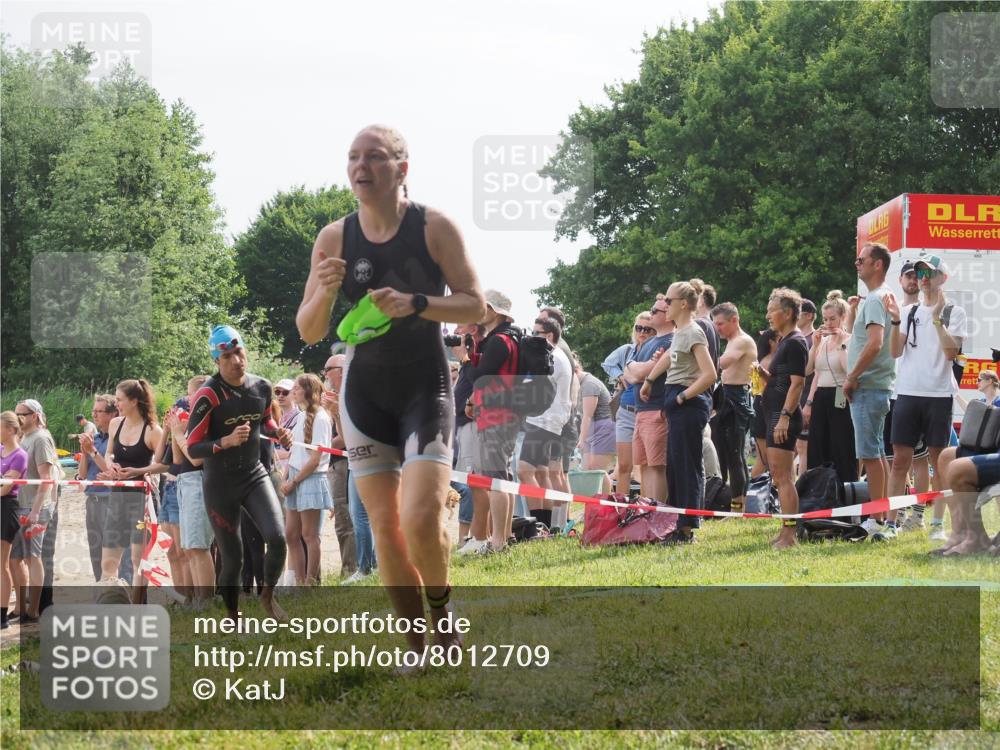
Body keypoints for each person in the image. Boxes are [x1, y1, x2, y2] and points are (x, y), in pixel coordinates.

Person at [297, 124, 485, 657]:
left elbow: (475, 305)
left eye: (374, 157)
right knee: (385, 524)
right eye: (353, 157)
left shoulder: (434, 227)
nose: (361, 166)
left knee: (420, 516)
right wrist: (327, 291)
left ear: (402, 169)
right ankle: (415, 642)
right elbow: (309, 330)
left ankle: (442, 608)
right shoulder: (334, 238)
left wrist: (417, 303)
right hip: (365, 395)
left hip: (426, 389)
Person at [186, 325, 293, 621]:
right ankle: (233, 616)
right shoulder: (209, 394)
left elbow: (266, 422)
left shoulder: (261, 386)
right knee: (233, 558)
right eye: (228, 356)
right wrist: (225, 442)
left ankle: (268, 598)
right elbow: (193, 448)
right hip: (220, 483)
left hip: (253, 474)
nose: (236, 360)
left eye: (239, 352)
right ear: (217, 361)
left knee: (278, 537)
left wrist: (279, 434)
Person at [884, 255, 967, 541]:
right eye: (920, 274)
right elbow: (895, 352)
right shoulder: (909, 311)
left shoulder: (954, 312)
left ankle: (936, 525)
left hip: (938, 394)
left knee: (938, 461)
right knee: (899, 461)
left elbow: (950, 353)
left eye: (929, 274)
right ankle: (891, 523)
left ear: (943, 278)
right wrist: (896, 320)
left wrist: (936, 321)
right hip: (907, 392)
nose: (923, 279)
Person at [641, 281, 718, 543]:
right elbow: (669, 357)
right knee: (675, 466)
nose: (664, 305)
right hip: (676, 400)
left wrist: (683, 397)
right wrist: (650, 380)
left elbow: (710, 374)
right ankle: (678, 524)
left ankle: (687, 528)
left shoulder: (694, 332)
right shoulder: (680, 332)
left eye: (669, 301)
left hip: (688, 403)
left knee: (687, 467)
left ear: (683, 304)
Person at [460, 290, 520, 554]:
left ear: (494, 311)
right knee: (502, 477)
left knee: (495, 478)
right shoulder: (507, 338)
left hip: (497, 413)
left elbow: (481, 376)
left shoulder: (499, 341)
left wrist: (465, 359)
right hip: (504, 411)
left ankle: (497, 542)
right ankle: (503, 537)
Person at [845, 242, 896, 537]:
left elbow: (875, 343)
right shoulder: (878, 297)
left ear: (877, 264)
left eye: (861, 259)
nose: (857, 263)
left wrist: (852, 376)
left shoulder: (877, 298)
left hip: (868, 386)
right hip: (874, 386)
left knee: (870, 455)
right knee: (875, 455)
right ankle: (884, 517)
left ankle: (877, 520)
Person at [757, 289, 808, 549]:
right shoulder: (785, 341)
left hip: (783, 418)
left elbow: (797, 385)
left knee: (784, 476)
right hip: (774, 415)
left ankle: (790, 536)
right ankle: (784, 532)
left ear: (787, 313)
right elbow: (782, 380)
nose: (767, 315)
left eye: (771, 310)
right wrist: (764, 374)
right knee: (778, 476)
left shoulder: (796, 342)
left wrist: (785, 417)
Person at [98, 380, 163, 585]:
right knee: (107, 563)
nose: (116, 404)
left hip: (141, 500)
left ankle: (138, 608)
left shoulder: (153, 430)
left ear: (134, 401)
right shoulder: (116, 423)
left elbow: (165, 465)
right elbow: (109, 452)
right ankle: (109, 606)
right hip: (118, 497)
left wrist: (139, 471)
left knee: (138, 561)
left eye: (119, 400)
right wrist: (111, 466)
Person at [516, 317, 571, 529]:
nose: (531, 336)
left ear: (549, 336)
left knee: (524, 471)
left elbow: (536, 386)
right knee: (540, 472)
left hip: (543, 420)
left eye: (535, 332)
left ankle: (537, 525)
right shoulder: (557, 355)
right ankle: (544, 526)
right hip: (549, 421)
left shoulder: (552, 356)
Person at [282, 374, 334, 585]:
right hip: (295, 475)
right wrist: (287, 476)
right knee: (291, 534)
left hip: (310, 478)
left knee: (309, 535)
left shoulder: (321, 417)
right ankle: (299, 580)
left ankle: (311, 582)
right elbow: (297, 451)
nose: (293, 391)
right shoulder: (302, 416)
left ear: (308, 391)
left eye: (296, 388)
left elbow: (315, 459)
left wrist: (294, 481)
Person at [9, 400, 59, 621]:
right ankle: (20, 607)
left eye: (23, 414)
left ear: (34, 415)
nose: (19, 417)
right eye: (17, 413)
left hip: (34, 507)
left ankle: (34, 609)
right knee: (14, 559)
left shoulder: (40, 438)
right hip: (19, 504)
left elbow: (45, 479)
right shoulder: (24, 438)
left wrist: (36, 511)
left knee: (32, 557)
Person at [802, 291, 857, 483]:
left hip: (840, 394)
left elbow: (849, 370)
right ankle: (818, 489)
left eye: (833, 319)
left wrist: (841, 343)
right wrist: (815, 345)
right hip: (821, 396)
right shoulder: (823, 342)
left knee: (841, 447)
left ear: (843, 317)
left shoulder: (849, 340)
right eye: (825, 319)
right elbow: (811, 370)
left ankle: (844, 490)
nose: (828, 324)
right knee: (817, 446)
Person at [78, 394, 133, 583]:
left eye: (99, 411)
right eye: (93, 411)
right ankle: (102, 589)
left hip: (110, 500)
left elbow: (112, 471)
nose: (94, 415)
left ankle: (121, 592)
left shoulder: (119, 439)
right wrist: (85, 452)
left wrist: (92, 451)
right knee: (96, 551)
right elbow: (83, 475)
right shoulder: (96, 438)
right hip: (92, 500)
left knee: (115, 553)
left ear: (112, 414)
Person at [624, 298, 674, 503]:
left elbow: (636, 374)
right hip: (641, 411)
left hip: (657, 409)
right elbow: (629, 373)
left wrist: (640, 370)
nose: (651, 313)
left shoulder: (672, 340)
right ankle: (646, 512)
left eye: (656, 311)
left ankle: (658, 513)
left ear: (669, 314)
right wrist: (645, 367)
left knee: (656, 466)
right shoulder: (647, 344)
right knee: (642, 466)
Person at [171, 375, 216, 606]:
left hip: (199, 482)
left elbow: (197, 460)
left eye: (190, 394)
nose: (186, 400)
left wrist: (180, 434)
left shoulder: (208, 421)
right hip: (185, 481)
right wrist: (174, 431)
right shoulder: (193, 423)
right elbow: (178, 461)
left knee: (199, 546)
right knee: (189, 547)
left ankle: (206, 600)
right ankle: (200, 599)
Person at [710, 303, 757, 511]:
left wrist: (698, 362)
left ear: (734, 320)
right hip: (724, 396)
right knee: (720, 451)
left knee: (734, 455)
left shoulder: (742, 340)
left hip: (737, 399)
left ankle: (739, 507)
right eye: (715, 324)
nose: (717, 328)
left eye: (720, 324)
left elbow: (723, 363)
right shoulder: (730, 341)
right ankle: (721, 499)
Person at [602, 313, 654, 493]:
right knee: (623, 466)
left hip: (647, 411)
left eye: (647, 329)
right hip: (625, 411)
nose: (642, 332)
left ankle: (645, 510)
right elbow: (607, 363)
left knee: (646, 468)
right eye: (638, 328)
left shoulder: (657, 351)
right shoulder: (627, 350)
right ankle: (621, 512)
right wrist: (620, 376)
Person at [320, 354, 358, 577]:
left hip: (345, 463)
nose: (325, 374)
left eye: (328, 369)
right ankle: (352, 567)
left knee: (346, 518)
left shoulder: (349, 396)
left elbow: (345, 439)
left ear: (342, 370)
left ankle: (351, 568)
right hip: (336, 464)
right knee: (343, 519)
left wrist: (320, 445)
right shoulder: (335, 397)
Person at [1, 411, 28, 629]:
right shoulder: (1, 451)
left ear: (10, 429)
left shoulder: (19, 455)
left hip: (7, 508)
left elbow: (5, 489)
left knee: (3, 565)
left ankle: (2, 616)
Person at [576, 361, 616, 472]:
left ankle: (605, 491)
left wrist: (582, 440)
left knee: (597, 471)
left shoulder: (589, 384)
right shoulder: (580, 384)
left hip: (603, 428)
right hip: (592, 429)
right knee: (586, 470)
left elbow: (587, 416)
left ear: (576, 371)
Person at [750, 329, 778, 479]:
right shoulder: (769, 361)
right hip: (763, 407)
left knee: (764, 459)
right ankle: (750, 494)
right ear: (771, 342)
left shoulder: (762, 359)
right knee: (764, 459)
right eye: (778, 339)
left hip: (759, 405)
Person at [795, 299, 818, 473]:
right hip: (794, 397)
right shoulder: (796, 337)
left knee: (803, 448)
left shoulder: (815, 339)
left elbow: (816, 373)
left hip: (807, 396)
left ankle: (802, 491)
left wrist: (809, 403)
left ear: (809, 315)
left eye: (799, 312)